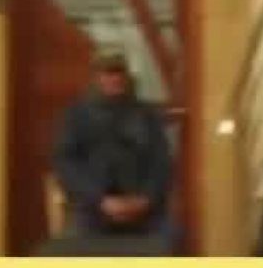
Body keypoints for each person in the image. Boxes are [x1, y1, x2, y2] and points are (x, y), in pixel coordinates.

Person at [51, 48, 174, 252]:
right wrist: (100, 200)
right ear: (97, 77)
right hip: (93, 210)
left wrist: (146, 199)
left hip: (144, 211)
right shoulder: (77, 116)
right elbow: (65, 164)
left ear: (127, 76)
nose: (114, 78)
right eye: (108, 73)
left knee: (168, 243)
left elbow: (162, 161)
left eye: (119, 72)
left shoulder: (146, 115)